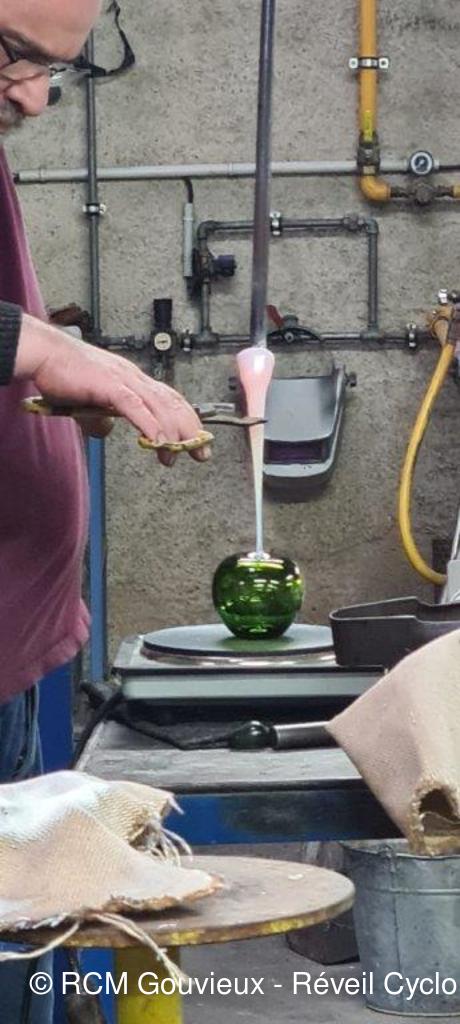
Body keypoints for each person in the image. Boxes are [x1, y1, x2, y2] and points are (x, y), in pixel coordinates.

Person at [0, 1, 209, 1018]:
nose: (37, 99)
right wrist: (43, 349)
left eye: (57, 69)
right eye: (13, 55)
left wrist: (49, 377)